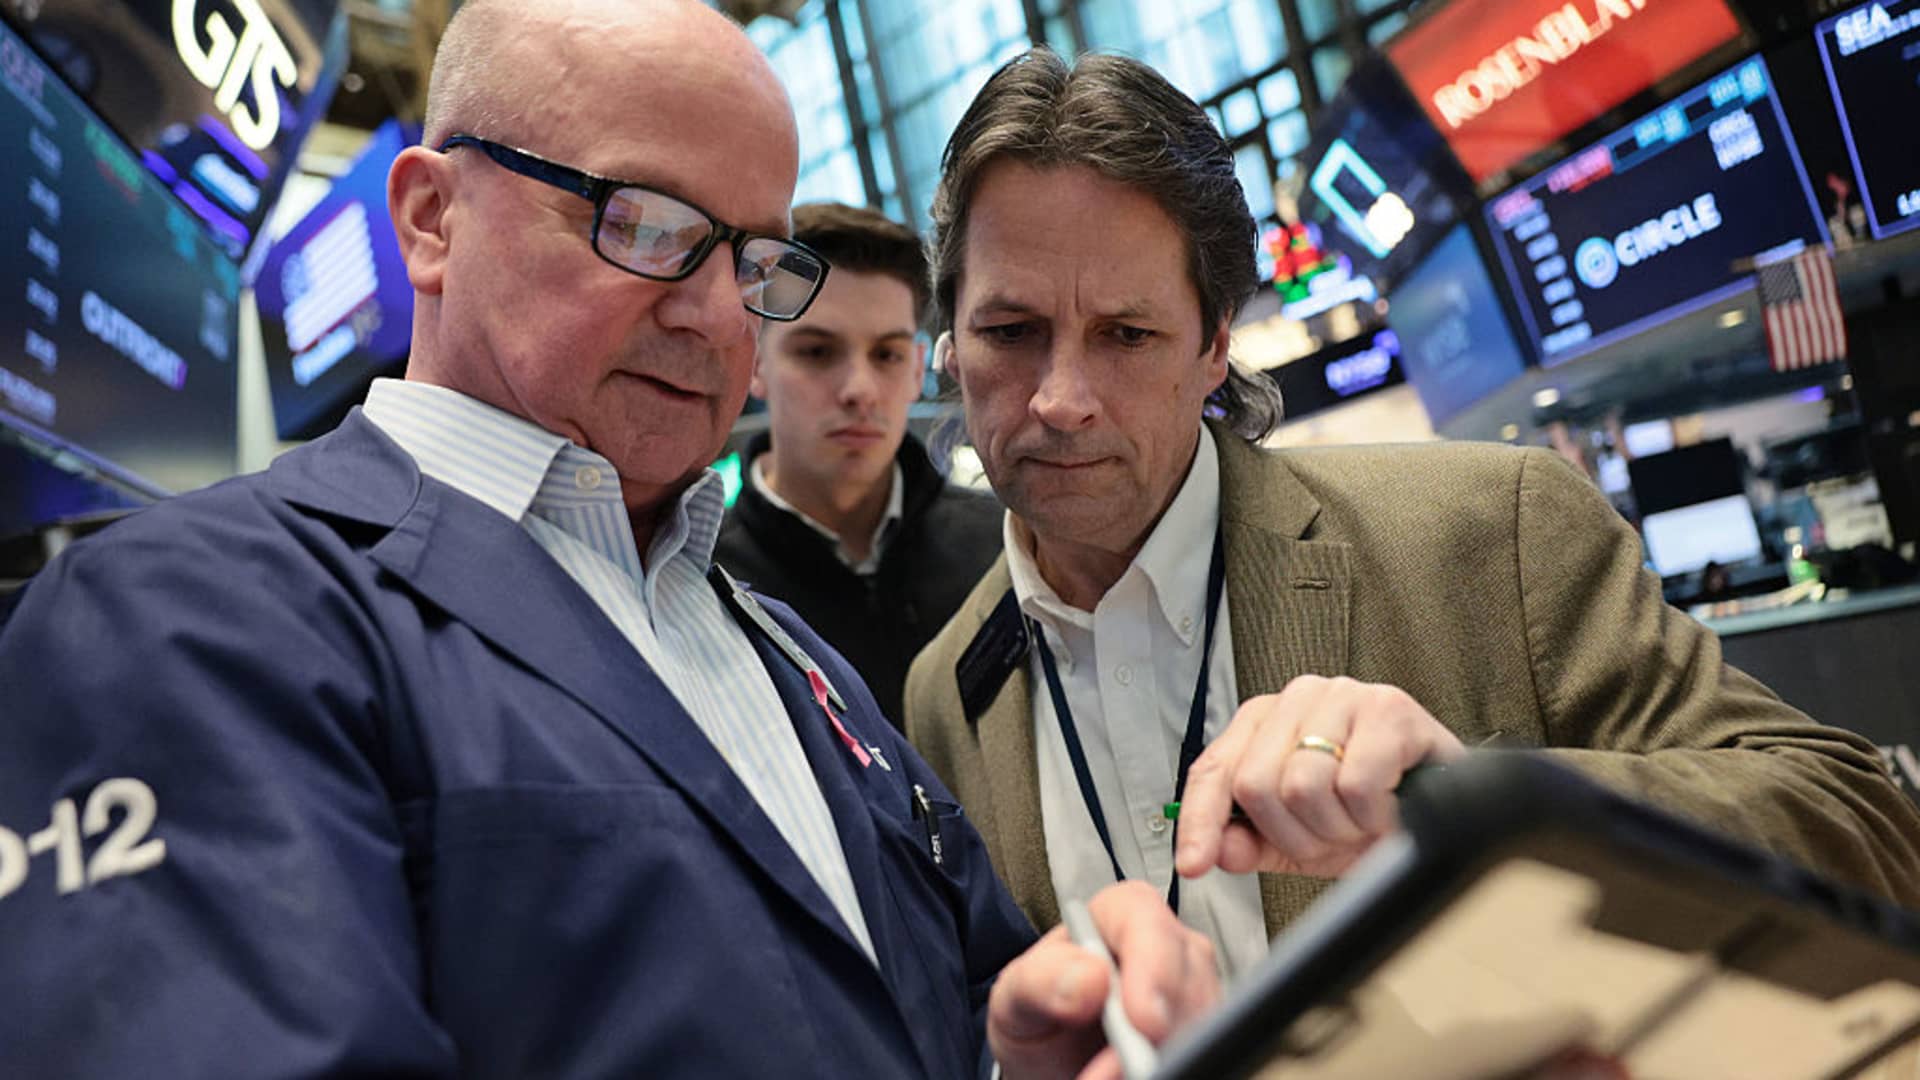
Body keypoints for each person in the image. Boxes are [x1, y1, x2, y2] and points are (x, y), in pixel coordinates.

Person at [0, 8, 1223, 1077]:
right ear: (431, 219)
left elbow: (957, 995)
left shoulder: (792, 661)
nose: (714, 314)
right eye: (641, 225)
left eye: (754, 262)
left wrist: (1048, 1026)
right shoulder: (189, 618)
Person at [903, 47, 1920, 983]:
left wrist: (1486, 806)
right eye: (1011, 331)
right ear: (950, 345)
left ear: (1214, 346)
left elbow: (1866, 828)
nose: (1062, 399)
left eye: (1127, 334)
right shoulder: (946, 692)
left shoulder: (1496, 533)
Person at [717, 202, 1002, 725]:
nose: (860, 390)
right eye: (817, 352)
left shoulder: (1005, 550)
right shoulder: (710, 589)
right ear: (754, 362)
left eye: (887, 355)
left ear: (917, 370)